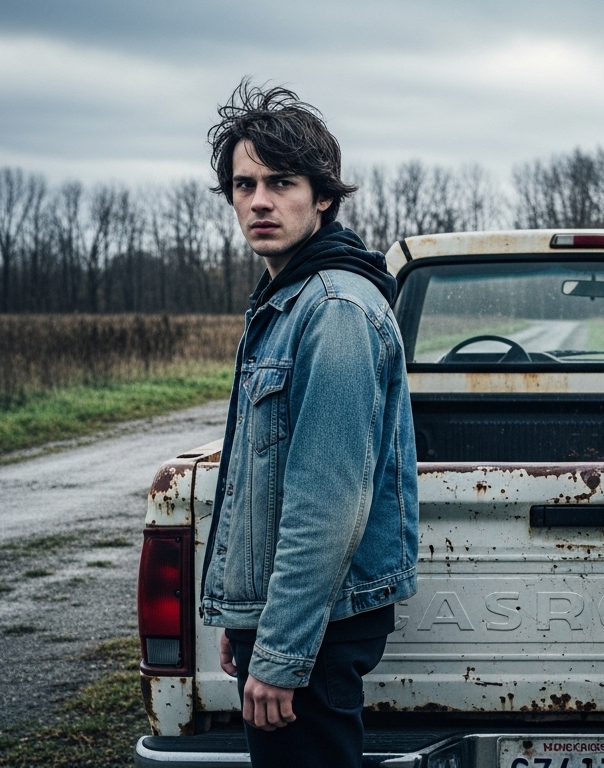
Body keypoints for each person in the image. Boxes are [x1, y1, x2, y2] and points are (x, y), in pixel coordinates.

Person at [197, 81, 418, 768]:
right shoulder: (289, 301)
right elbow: (260, 476)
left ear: (322, 196)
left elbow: (327, 500)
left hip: (317, 629)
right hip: (291, 619)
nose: (259, 201)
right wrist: (245, 615)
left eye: (281, 182)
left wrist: (284, 648)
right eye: (243, 184)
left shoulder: (335, 310)